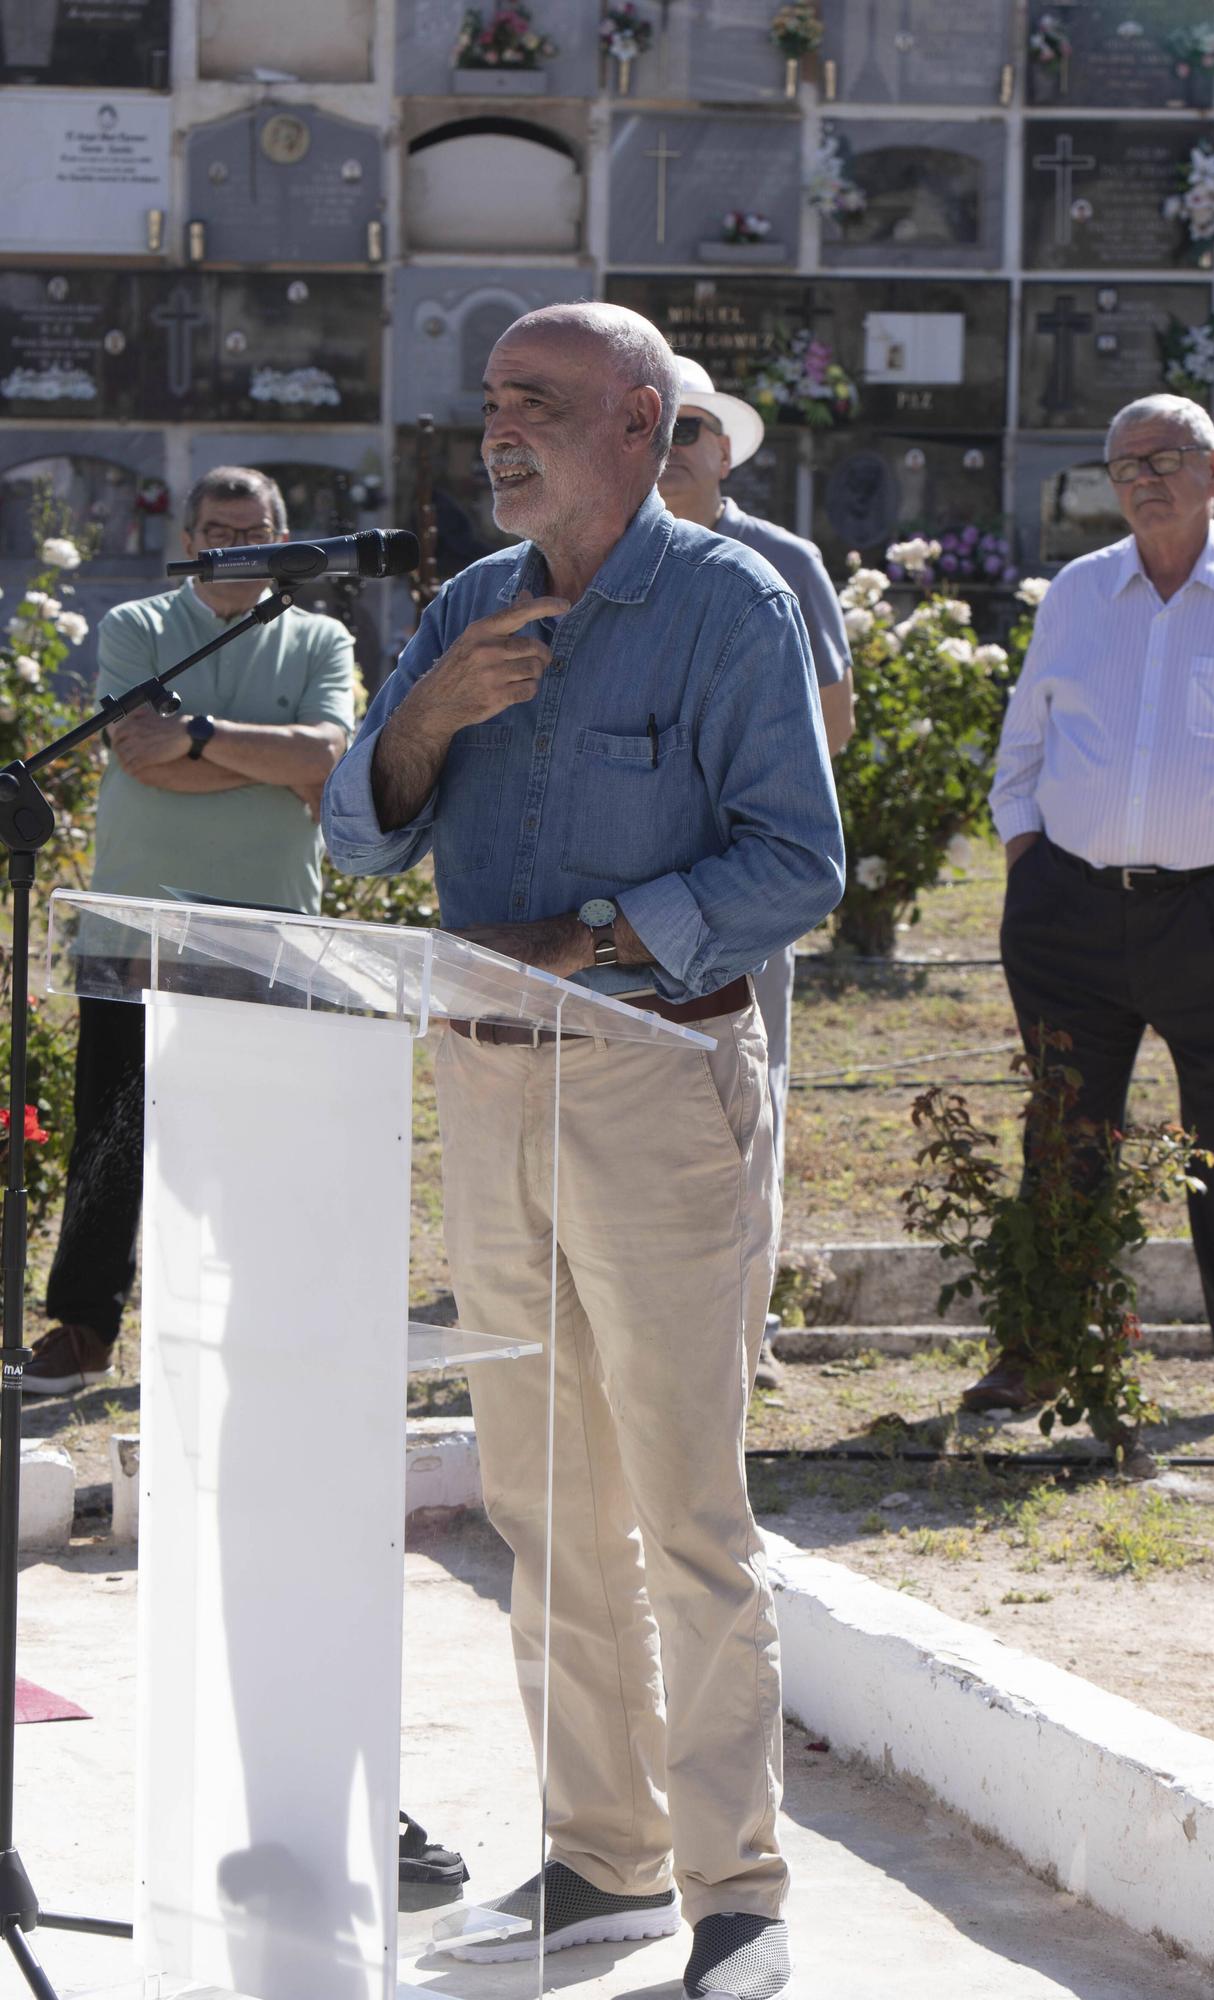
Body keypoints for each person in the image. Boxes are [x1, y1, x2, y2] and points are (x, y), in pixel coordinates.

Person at [323, 302, 844, 2000]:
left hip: (653, 1085)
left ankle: (735, 1893)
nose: (499, 431)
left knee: (686, 1510)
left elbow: (795, 866)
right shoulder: (470, 609)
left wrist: (599, 936)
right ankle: (598, 1862)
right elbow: (357, 825)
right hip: (485, 1096)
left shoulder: (726, 606)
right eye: (490, 404)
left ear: (637, 419)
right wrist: (429, 719)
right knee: (542, 1508)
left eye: (535, 403)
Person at [975, 393, 1214, 1434]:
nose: (1144, 477)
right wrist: (1023, 847)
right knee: (1063, 1130)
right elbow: (1025, 733)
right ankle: (1037, 1350)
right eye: (1124, 462)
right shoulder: (1081, 593)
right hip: (1071, 905)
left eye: (1167, 457)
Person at [29, 467, 356, 1394]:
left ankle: (253, 1328)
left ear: (281, 539)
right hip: (140, 916)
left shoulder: (321, 637)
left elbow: (328, 760)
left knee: (260, 1133)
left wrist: (201, 736)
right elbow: (142, 759)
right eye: (219, 531)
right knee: (111, 1132)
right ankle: (84, 1331)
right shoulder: (138, 627)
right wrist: (267, 759)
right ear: (190, 534)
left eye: (254, 532)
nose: (236, 549)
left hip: (270, 922)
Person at [658, 354, 854, 1387]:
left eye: (691, 431)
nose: (673, 451)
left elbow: (832, 717)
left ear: (724, 450)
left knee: (746, 1102)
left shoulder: (780, 559)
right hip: (614, 888)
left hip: (737, 879)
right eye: (657, 429)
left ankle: (744, 1332)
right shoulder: (592, 553)